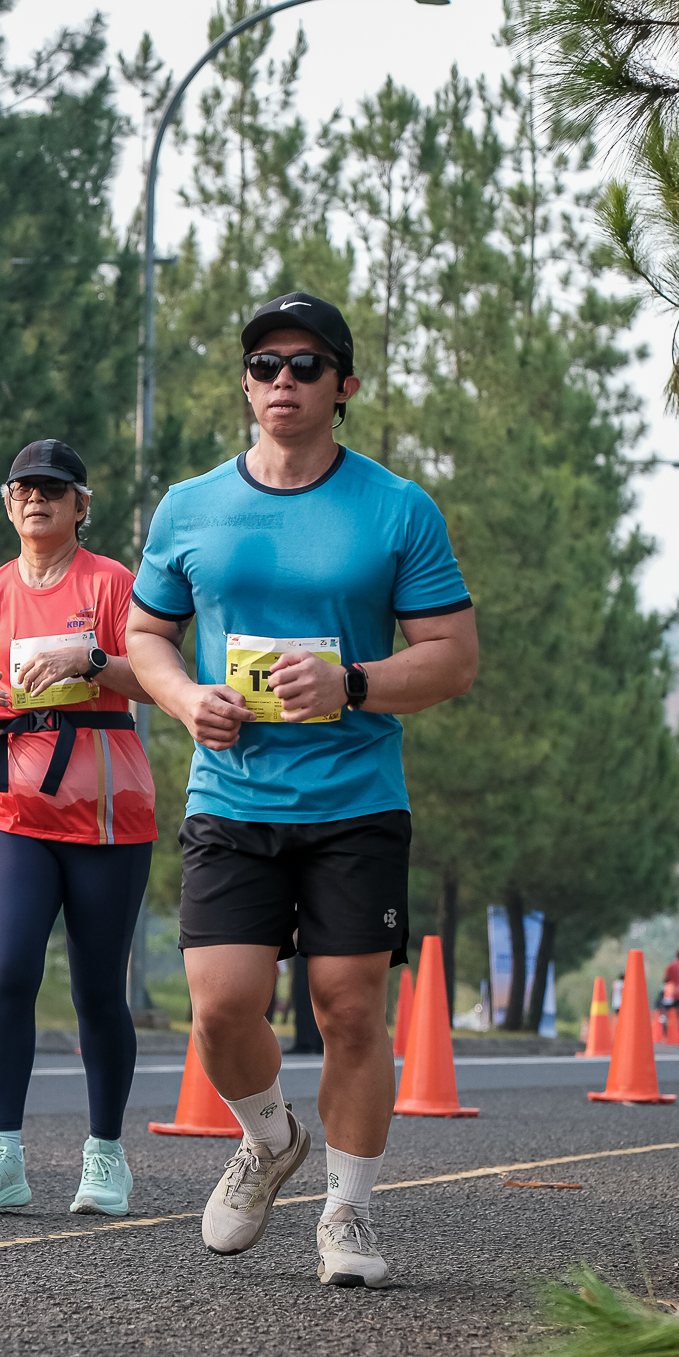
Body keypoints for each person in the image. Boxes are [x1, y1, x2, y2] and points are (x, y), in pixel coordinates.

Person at [127, 289, 478, 1290]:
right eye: (264, 365)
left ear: (343, 385)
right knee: (220, 1008)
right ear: (246, 386)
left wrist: (350, 684)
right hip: (231, 798)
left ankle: (347, 1212)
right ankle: (268, 1137)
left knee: (348, 1009)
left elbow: (452, 658)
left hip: (353, 800)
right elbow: (146, 634)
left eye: (305, 365)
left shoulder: (396, 508)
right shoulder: (190, 506)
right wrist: (184, 697)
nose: (282, 380)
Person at [0, 439, 157, 1217]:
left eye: (53, 490)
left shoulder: (114, 584)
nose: (37, 500)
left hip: (108, 806)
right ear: (8, 504)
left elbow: (157, 680)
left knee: (98, 988)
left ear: (80, 506)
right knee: (8, 972)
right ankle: (3, 1156)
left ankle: (106, 1157)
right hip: (14, 805)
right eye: (24, 489)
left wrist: (91, 660)